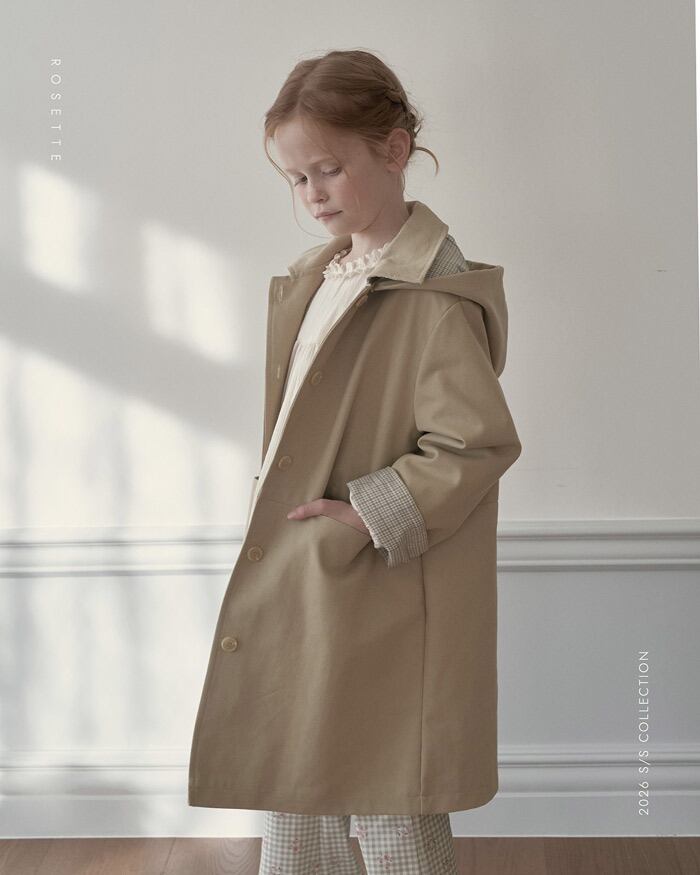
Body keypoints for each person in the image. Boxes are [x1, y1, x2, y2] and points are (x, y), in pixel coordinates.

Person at [187, 49, 522, 875]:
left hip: (382, 583)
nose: (313, 194)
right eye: (296, 178)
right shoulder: (321, 278)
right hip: (312, 572)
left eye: (329, 169)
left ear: (395, 149)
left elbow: (475, 443)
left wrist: (366, 512)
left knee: (388, 792)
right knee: (299, 779)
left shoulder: (433, 298)